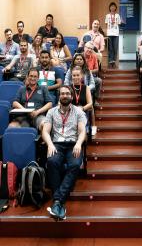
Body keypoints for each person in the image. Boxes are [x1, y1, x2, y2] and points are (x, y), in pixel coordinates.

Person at [42, 85, 87, 220]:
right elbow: (45, 130)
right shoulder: (51, 112)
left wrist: (79, 143)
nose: (65, 96)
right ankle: (59, 201)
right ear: (59, 96)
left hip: (73, 144)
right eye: (62, 94)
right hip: (57, 144)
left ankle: (57, 200)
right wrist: (50, 144)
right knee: (51, 161)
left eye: (67, 93)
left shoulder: (79, 112)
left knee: (74, 164)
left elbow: (82, 130)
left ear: (71, 96)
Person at [83, 41, 102, 105]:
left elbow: (97, 69)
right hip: (81, 77)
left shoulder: (94, 57)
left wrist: (89, 71)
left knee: (99, 80)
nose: (89, 50)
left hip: (91, 77)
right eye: (88, 48)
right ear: (84, 48)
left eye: (91, 48)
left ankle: (96, 98)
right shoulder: (79, 56)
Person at [105, 2, 121, 68]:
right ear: (109, 8)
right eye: (111, 6)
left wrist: (115, 21)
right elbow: (106, 23)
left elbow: (119, 23)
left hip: (116, 34)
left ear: (115, 8)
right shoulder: (107, 15)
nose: (112, 7)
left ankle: (114, 62)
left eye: (114, 6)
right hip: (109, 33)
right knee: (110, 48)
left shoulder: (117, 15)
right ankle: (110, 62)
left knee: (115, 48)